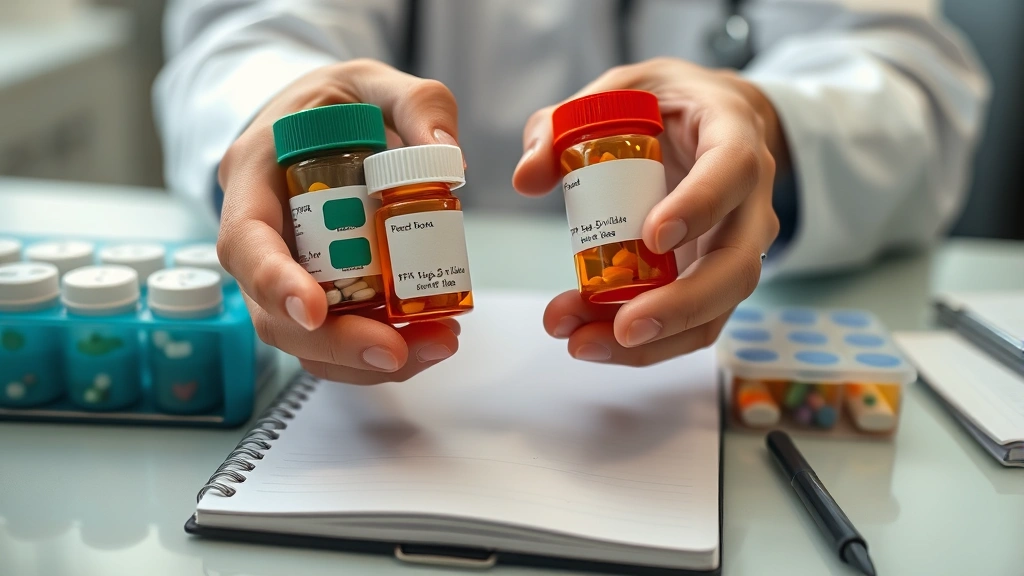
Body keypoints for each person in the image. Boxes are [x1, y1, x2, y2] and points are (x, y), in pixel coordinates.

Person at [154, 0, 988, 384]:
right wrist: (286, 106)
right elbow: (246, 31)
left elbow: (903, 77)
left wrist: (766, 119)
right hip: (417, 379)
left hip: (702, 361)